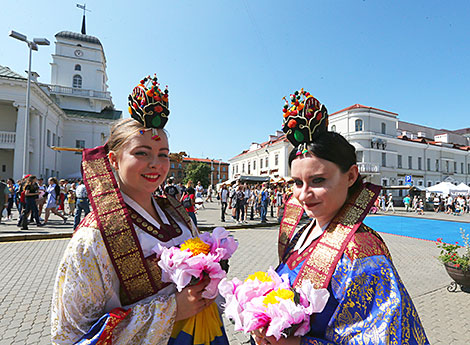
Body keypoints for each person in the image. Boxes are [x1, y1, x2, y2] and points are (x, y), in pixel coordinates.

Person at [51, 76, 228, 344]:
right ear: (114, 159)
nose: (155, 164)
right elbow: (74, 334)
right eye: (142, 153)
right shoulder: (95, 237)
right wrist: (171, 310)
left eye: (163, 154)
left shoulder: (177, 215)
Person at [252, 90, 429, 345]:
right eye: (297, 182)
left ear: (351, 176)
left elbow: (387, 338)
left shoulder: (362, 250)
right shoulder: (302, 232)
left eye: (318, 180)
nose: (303, 194)